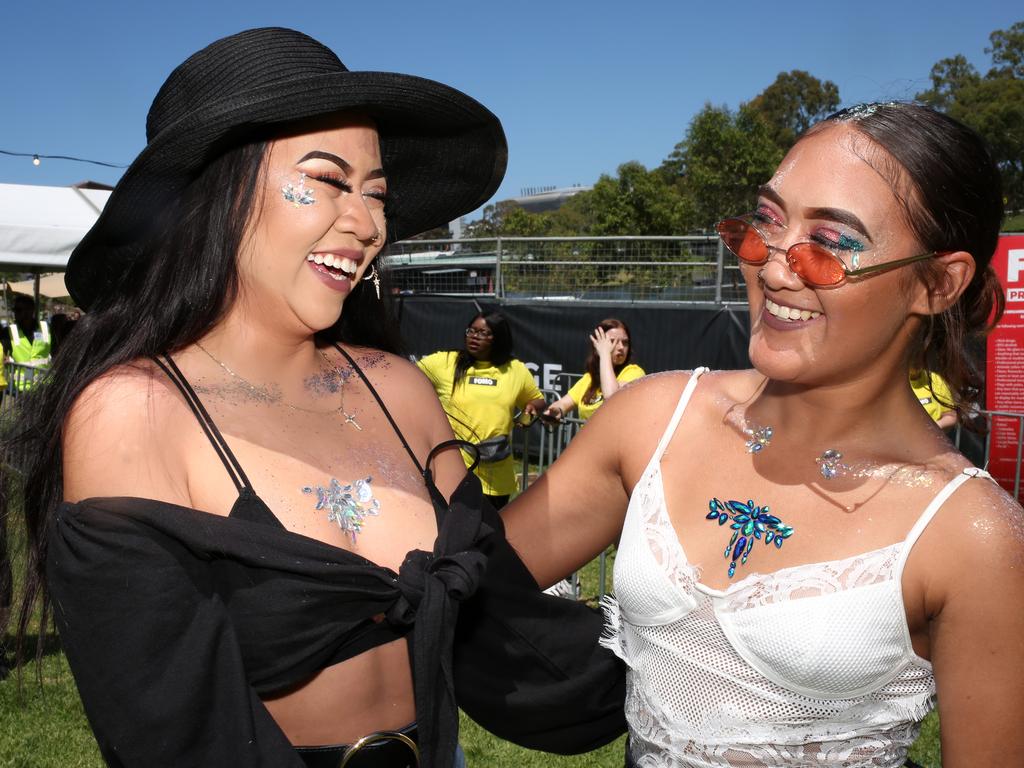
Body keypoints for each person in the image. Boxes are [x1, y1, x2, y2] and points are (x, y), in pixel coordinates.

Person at [6, 28, 625, 768]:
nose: (366, 224)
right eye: (329, 181)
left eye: (377, 194)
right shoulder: (132, 413)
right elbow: (171, 728)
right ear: (219, 194)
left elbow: (500, 612)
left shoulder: (397, 387)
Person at [503, 102, 1024, 766]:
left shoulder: (974, 538)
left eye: (831, 243)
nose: (775, 268)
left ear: (938, 282)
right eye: (769, 222)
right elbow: (459, 582)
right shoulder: (654, 417)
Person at [417, 312, 546, 509]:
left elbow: (536, 400)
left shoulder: (515, 370)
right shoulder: (445, 363)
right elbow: (408, 377)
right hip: (454, 471)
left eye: (483, 333)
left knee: (490, 536)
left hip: (497, 476)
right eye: (471, 331)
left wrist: (532, 409)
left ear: (499, 338)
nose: (474, 336)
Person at [544, 318, 645, 423]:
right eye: (612, 341)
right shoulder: (589, 379)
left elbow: (611, 397)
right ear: (597, 346)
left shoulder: (634, 372)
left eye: (625, 342)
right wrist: (556, 410)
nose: (621, 347)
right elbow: (564, 403)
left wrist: (605, 353)